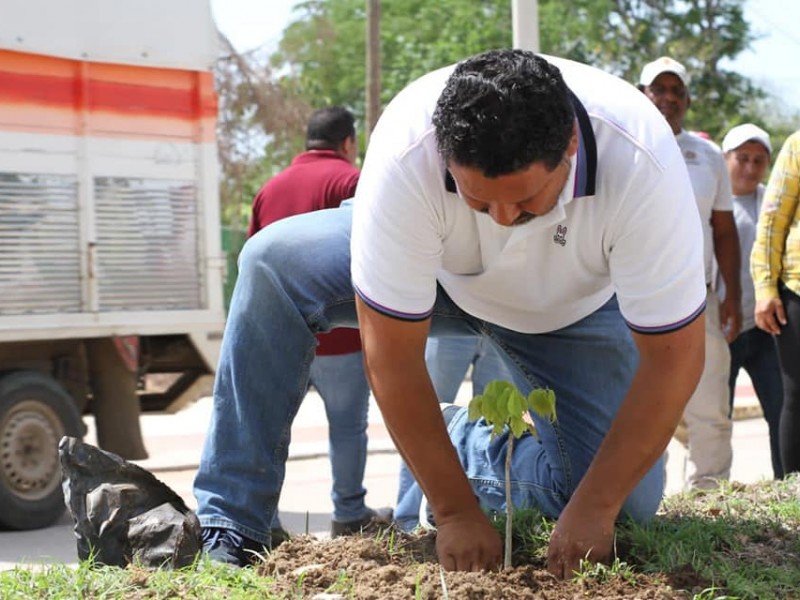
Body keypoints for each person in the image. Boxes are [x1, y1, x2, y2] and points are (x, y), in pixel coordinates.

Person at [193, 49, 706, 578]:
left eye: (526, 201)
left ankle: (457, 438)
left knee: (628, 504)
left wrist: (595, 507)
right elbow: (391, 357)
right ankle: (233, 520)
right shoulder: (408, 149)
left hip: (569, 312)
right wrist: (455, 510)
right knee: (273, 263)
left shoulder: (642, 159)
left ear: (570, 146)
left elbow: (674, 360)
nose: (504, 220)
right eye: (479, 203)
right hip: (435, 276)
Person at [237, 106, 390, 551]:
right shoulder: (352, 181)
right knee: (346, 428)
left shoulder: (270, 189)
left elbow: (254, 261)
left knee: (272, 426)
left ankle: (264, 519)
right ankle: (348, 513)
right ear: (347, 142)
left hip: (282, 336)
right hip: (340, 339)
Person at [639, 57, 742, 490]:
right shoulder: (625, 146)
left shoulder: (709, 156)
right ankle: (642, 500)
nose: (667, 98)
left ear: (687, 99)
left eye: (676, 91)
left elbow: (723, 229)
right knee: (641, 403)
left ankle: (709, 496)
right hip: (636, 298)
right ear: (642, 94)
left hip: (699, 297)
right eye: (658, 89)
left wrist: (732, 294)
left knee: (710, 405)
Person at [394, 335, 516, 531]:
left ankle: (489, 523)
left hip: (501, 327)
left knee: (496, 428)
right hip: (448, 329)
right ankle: (408, 525)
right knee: (421, 420)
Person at [720, 123, 784, 479]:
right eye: (742, 158)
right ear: (725, 158)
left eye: (758, 160)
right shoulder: (711, 201)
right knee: (716, 419)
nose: (749, 167)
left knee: (782, 410)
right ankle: (713, 493)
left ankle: (786, 482)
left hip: (764, 330)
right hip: (720, 328)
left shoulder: (774, 202)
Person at [752, 129, 800, 476]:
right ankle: (796, 493)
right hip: (796, 290)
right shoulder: (798, 144)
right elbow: (773, 218)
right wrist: (765, 287)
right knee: (797, 396)